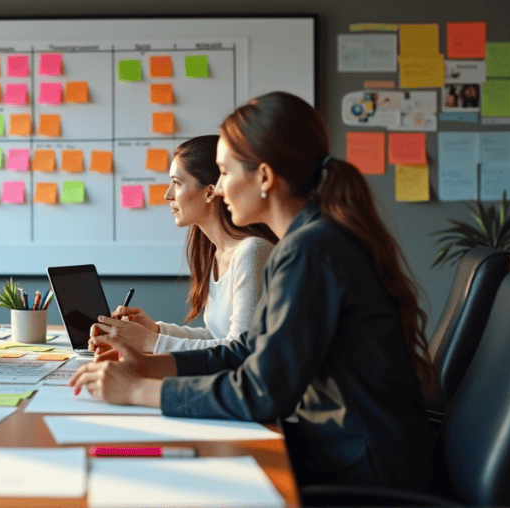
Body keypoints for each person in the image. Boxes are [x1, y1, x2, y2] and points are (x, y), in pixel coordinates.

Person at [71, 92, 433, 489]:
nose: (220, 189)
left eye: (224, 173)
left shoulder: (312, 251)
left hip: (364, 467)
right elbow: (246, 351)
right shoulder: (306, 242)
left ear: (263, 177)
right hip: (346, 447)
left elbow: (262, 392)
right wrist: (147, 365)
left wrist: (140, 390)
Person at [88, 135, 276, 354]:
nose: (168, 195)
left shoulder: (251, 252)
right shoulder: (216, 253)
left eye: (176, 183)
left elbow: (241, 350)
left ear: (209, 192)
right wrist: (155, 330)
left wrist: (150, 341)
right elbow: (216, 337)